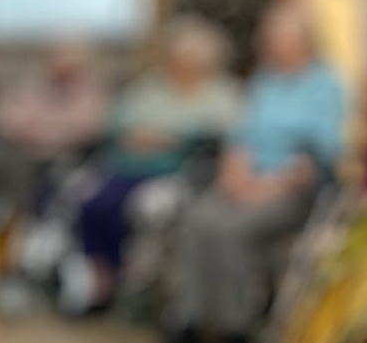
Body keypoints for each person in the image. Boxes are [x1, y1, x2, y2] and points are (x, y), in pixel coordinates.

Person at [161, 0, 347, 343]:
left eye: (280, 39)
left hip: (293, 187)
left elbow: (324, 151)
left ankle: (235, 330)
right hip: (245, 179)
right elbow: (240, 136)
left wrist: (268, 186)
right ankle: (190, 322)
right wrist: (236, 174)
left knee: (232, 230)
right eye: (270, 38)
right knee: (199, 220)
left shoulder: (325, 85)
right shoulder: (264, 80)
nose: (271, 45)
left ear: (303, 42)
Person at [65, 16, 241, 313]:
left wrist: (174, 138)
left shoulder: (222, 93)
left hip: (176, 173)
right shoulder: (151, 87)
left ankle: (136, 284)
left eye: (187, 60)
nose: (179, 65)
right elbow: (116, 119)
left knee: (144, 209)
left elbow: (220, 132)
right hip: (126, 167)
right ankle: (102, 282)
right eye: (175, 58)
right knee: (94, 204)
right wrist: (132, 136)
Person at [0, 41, 109, 166]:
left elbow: (89, 128)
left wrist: (44, 130)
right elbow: (3, 116)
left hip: (73, 158)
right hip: (26, 156)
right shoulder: (33, 87)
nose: (61, 70)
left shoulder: (91, 94)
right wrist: (23, 128)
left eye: (68, 67)